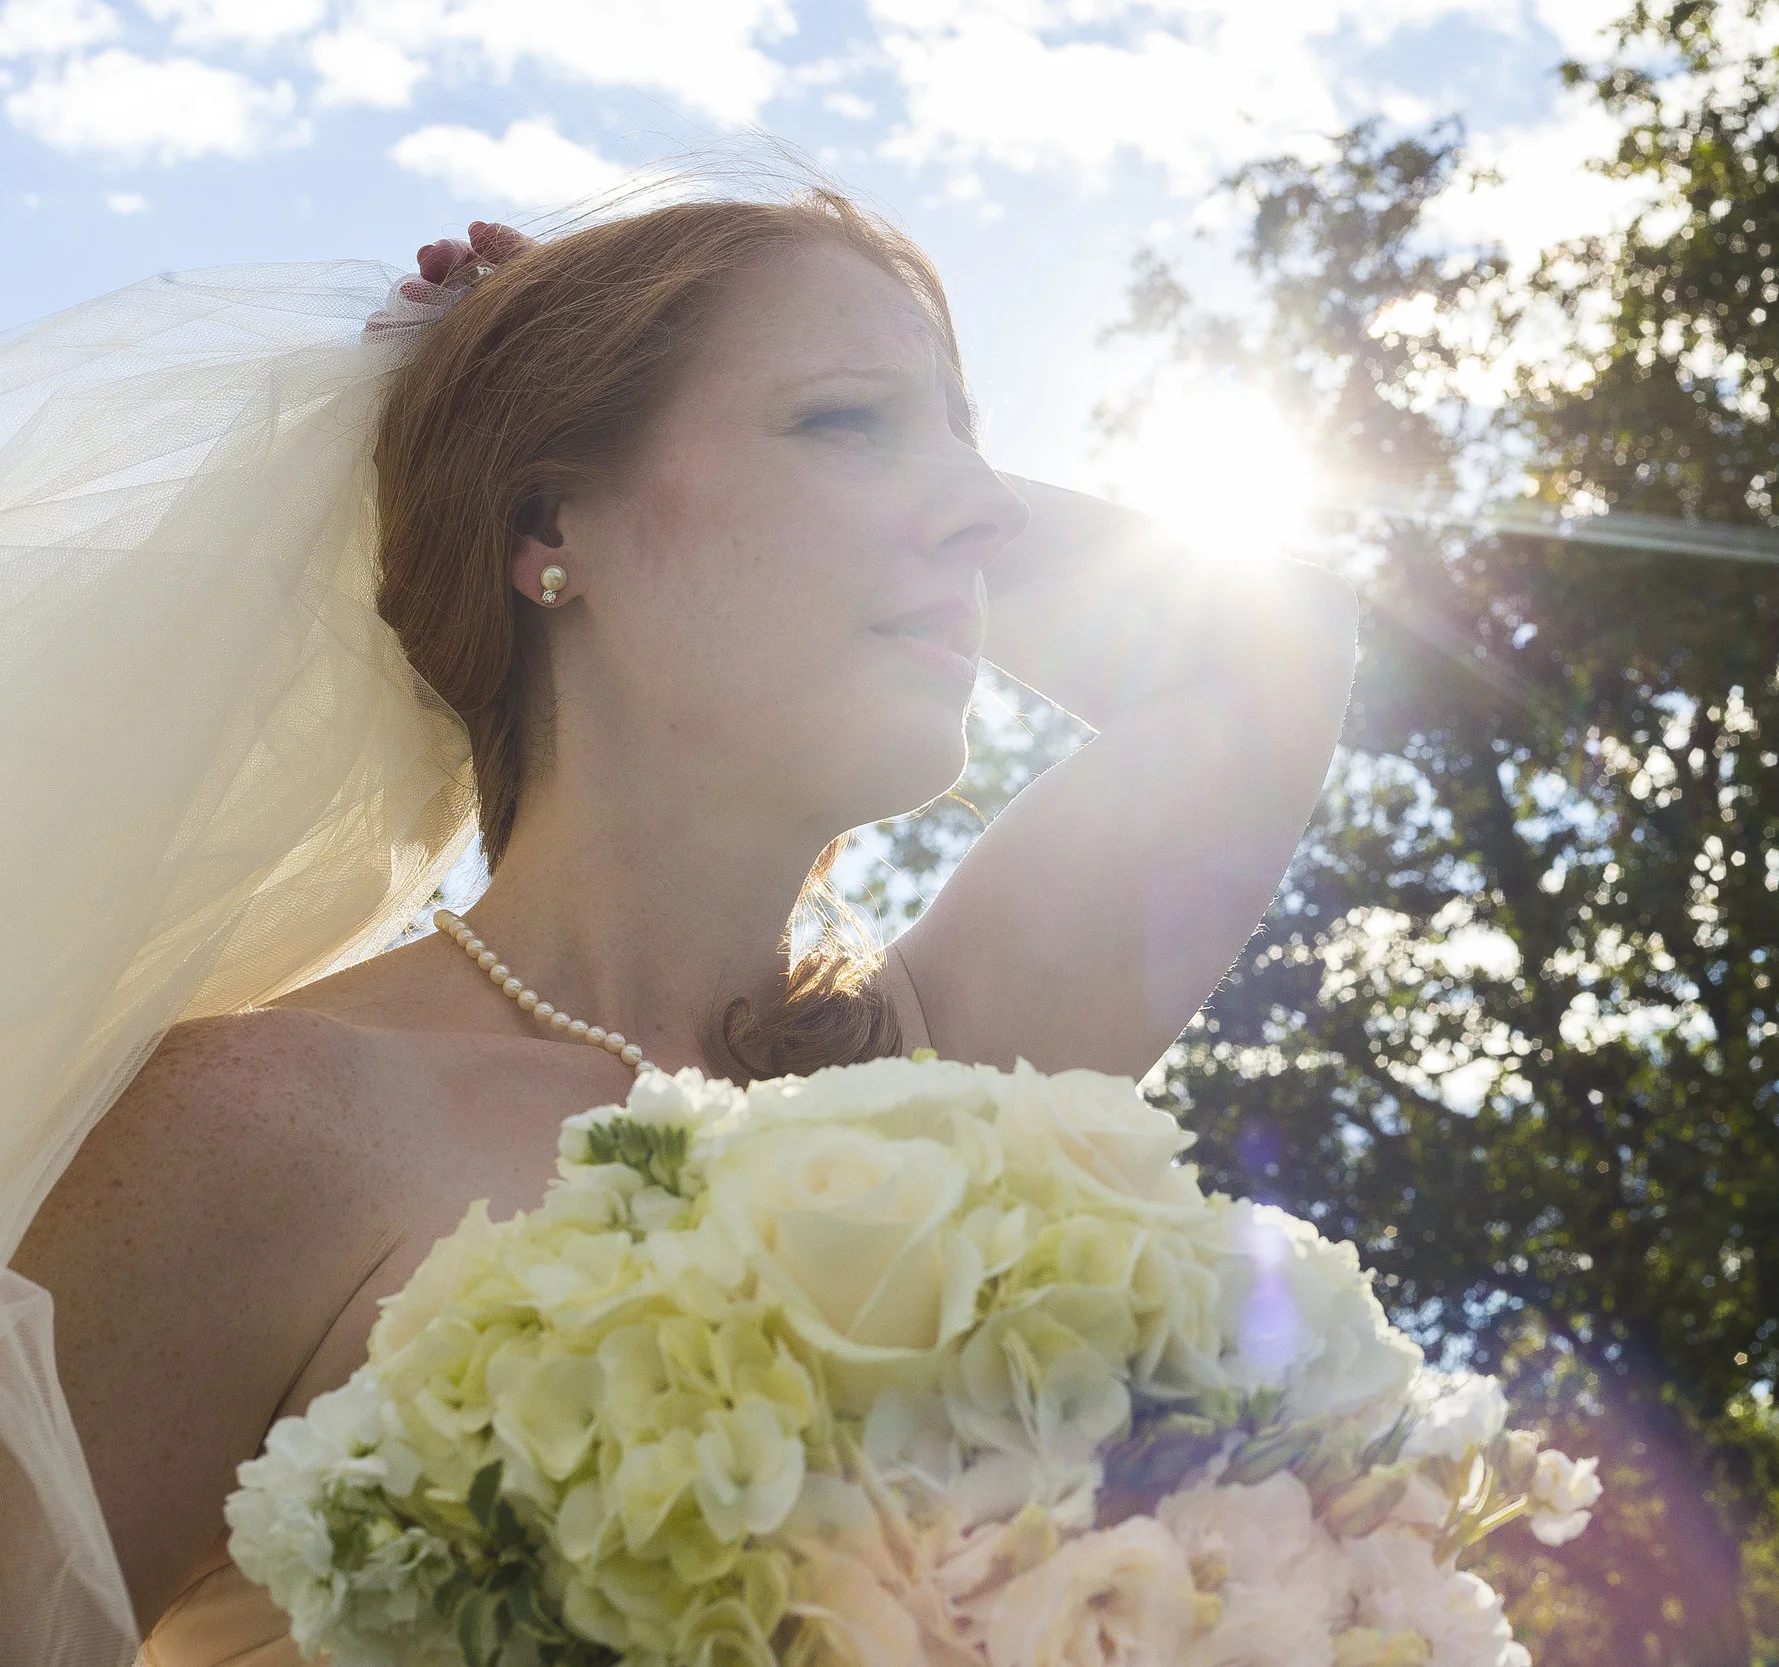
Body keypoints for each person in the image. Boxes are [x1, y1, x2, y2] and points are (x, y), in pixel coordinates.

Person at [0, 190, 1358, 1665]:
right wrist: (522, 380)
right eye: (848, 422)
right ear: (549, 526)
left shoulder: (931, 1074)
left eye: (970, 446)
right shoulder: (257, 1124)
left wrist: (881, 460)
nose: (989, 512)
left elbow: (1274, 653)